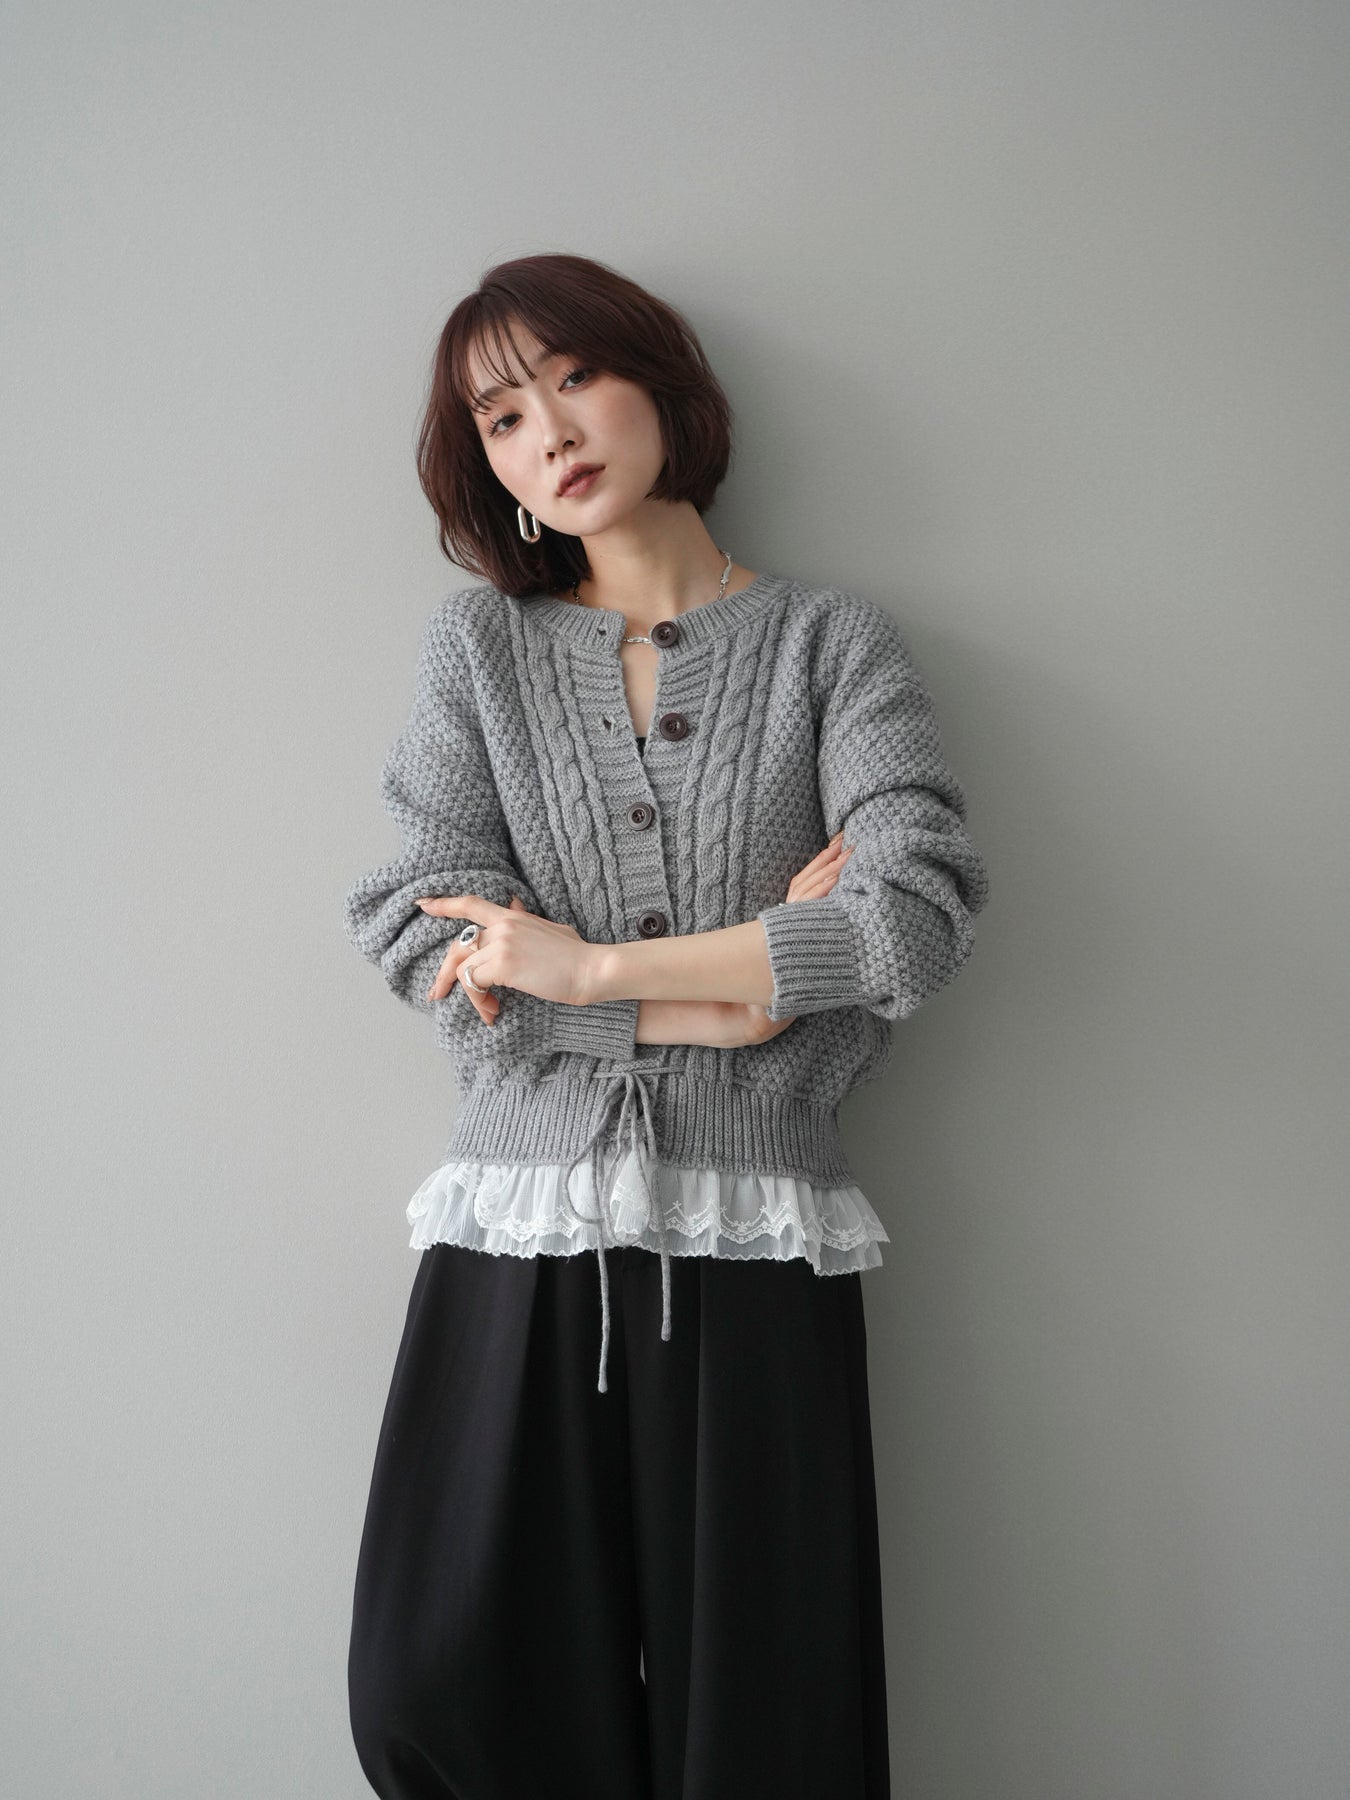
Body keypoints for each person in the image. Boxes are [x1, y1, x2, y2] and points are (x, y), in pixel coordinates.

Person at [342, 251, 990, 1800]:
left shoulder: (834, 646)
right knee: (435, 1682)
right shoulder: (479, 653)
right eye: (502, 416)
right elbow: (421, 926)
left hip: (756, 1240)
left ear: (661, 384)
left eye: (573, 377)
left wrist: (586, 974)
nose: (549, 433)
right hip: (518, 1236)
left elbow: (909, 921)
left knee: (760, 1716)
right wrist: (738, 995)